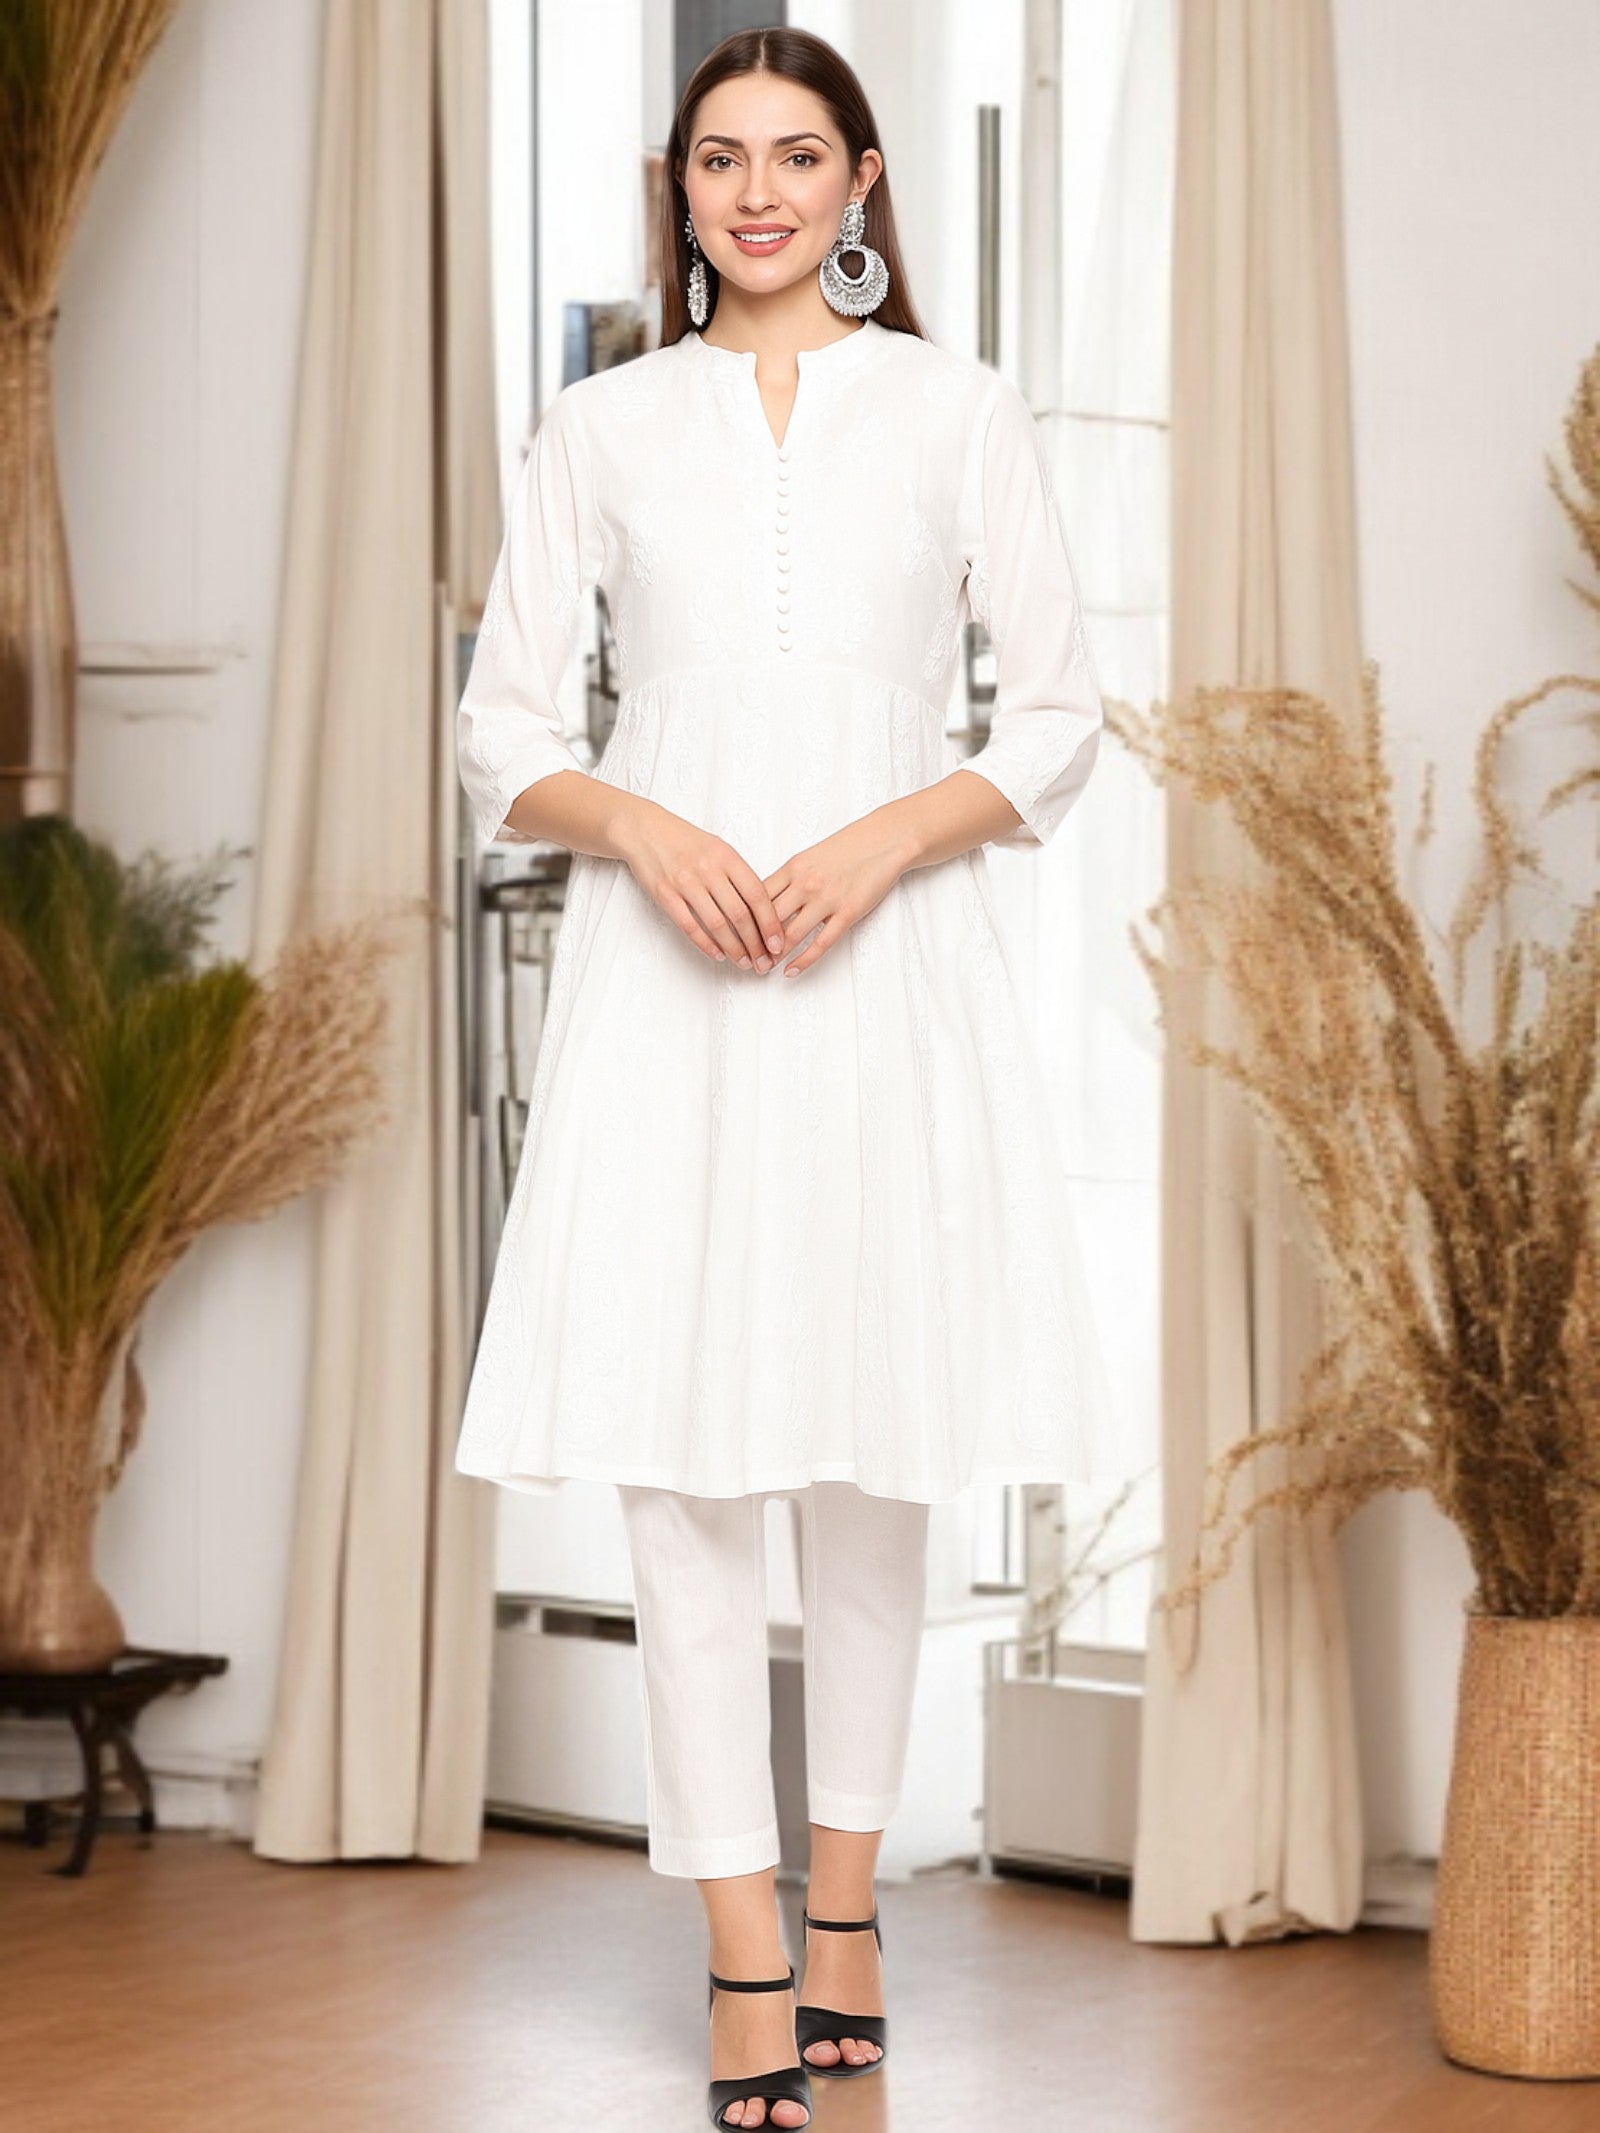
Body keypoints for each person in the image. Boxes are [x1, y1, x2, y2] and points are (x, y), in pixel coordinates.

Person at [454, 26, 1116, 2131]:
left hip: (886, 971)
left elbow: (1060, 720)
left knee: (870, 1438)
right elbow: (498, 734)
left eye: (796, 155)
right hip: (664, 992)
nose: (757, 192)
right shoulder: (597, 423)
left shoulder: (955, 408)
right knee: (678, 1466)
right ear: (677, 184)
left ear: (859, 184)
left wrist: (873, 839)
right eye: (720, 157)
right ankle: (739, 1940)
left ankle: (847, 1911)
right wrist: (640, 824)